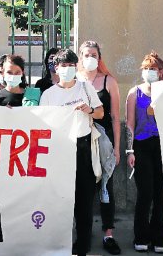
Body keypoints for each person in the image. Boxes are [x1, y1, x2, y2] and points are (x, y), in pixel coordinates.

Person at [40, 49, 103, 256]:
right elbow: (43, 125)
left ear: (76, 67)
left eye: (71, 66)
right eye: (63, 66)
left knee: (84, 202)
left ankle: (83, 246)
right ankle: (62, 243)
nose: (67, 70)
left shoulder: (85, 88)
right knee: (61, 200)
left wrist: (89, 110)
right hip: (59, 150)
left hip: (83, 148)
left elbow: (101, 113)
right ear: (56, 68)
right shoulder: (49, 94)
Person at [78, 40, 122, 254]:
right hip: (81, 143)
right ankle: (82, 232)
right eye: (86, 54)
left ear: (99, 57)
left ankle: (108, 235)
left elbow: (115, 116)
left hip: (104, 143)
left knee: (106, 189)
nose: (90, 58)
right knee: (82, 190)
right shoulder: (74, 81)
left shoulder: (109, 81)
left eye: (93, 54)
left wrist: (117, 147)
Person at [126, 52, 163, 254]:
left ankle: (159, 236)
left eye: (154, 69)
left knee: (161, 193)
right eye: (146, 69)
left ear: (160, 71)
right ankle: (141, 236)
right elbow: (130, 125)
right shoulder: (135, 93)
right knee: (146, 193)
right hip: (141, 146)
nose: (150, 72)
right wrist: (129, 150)